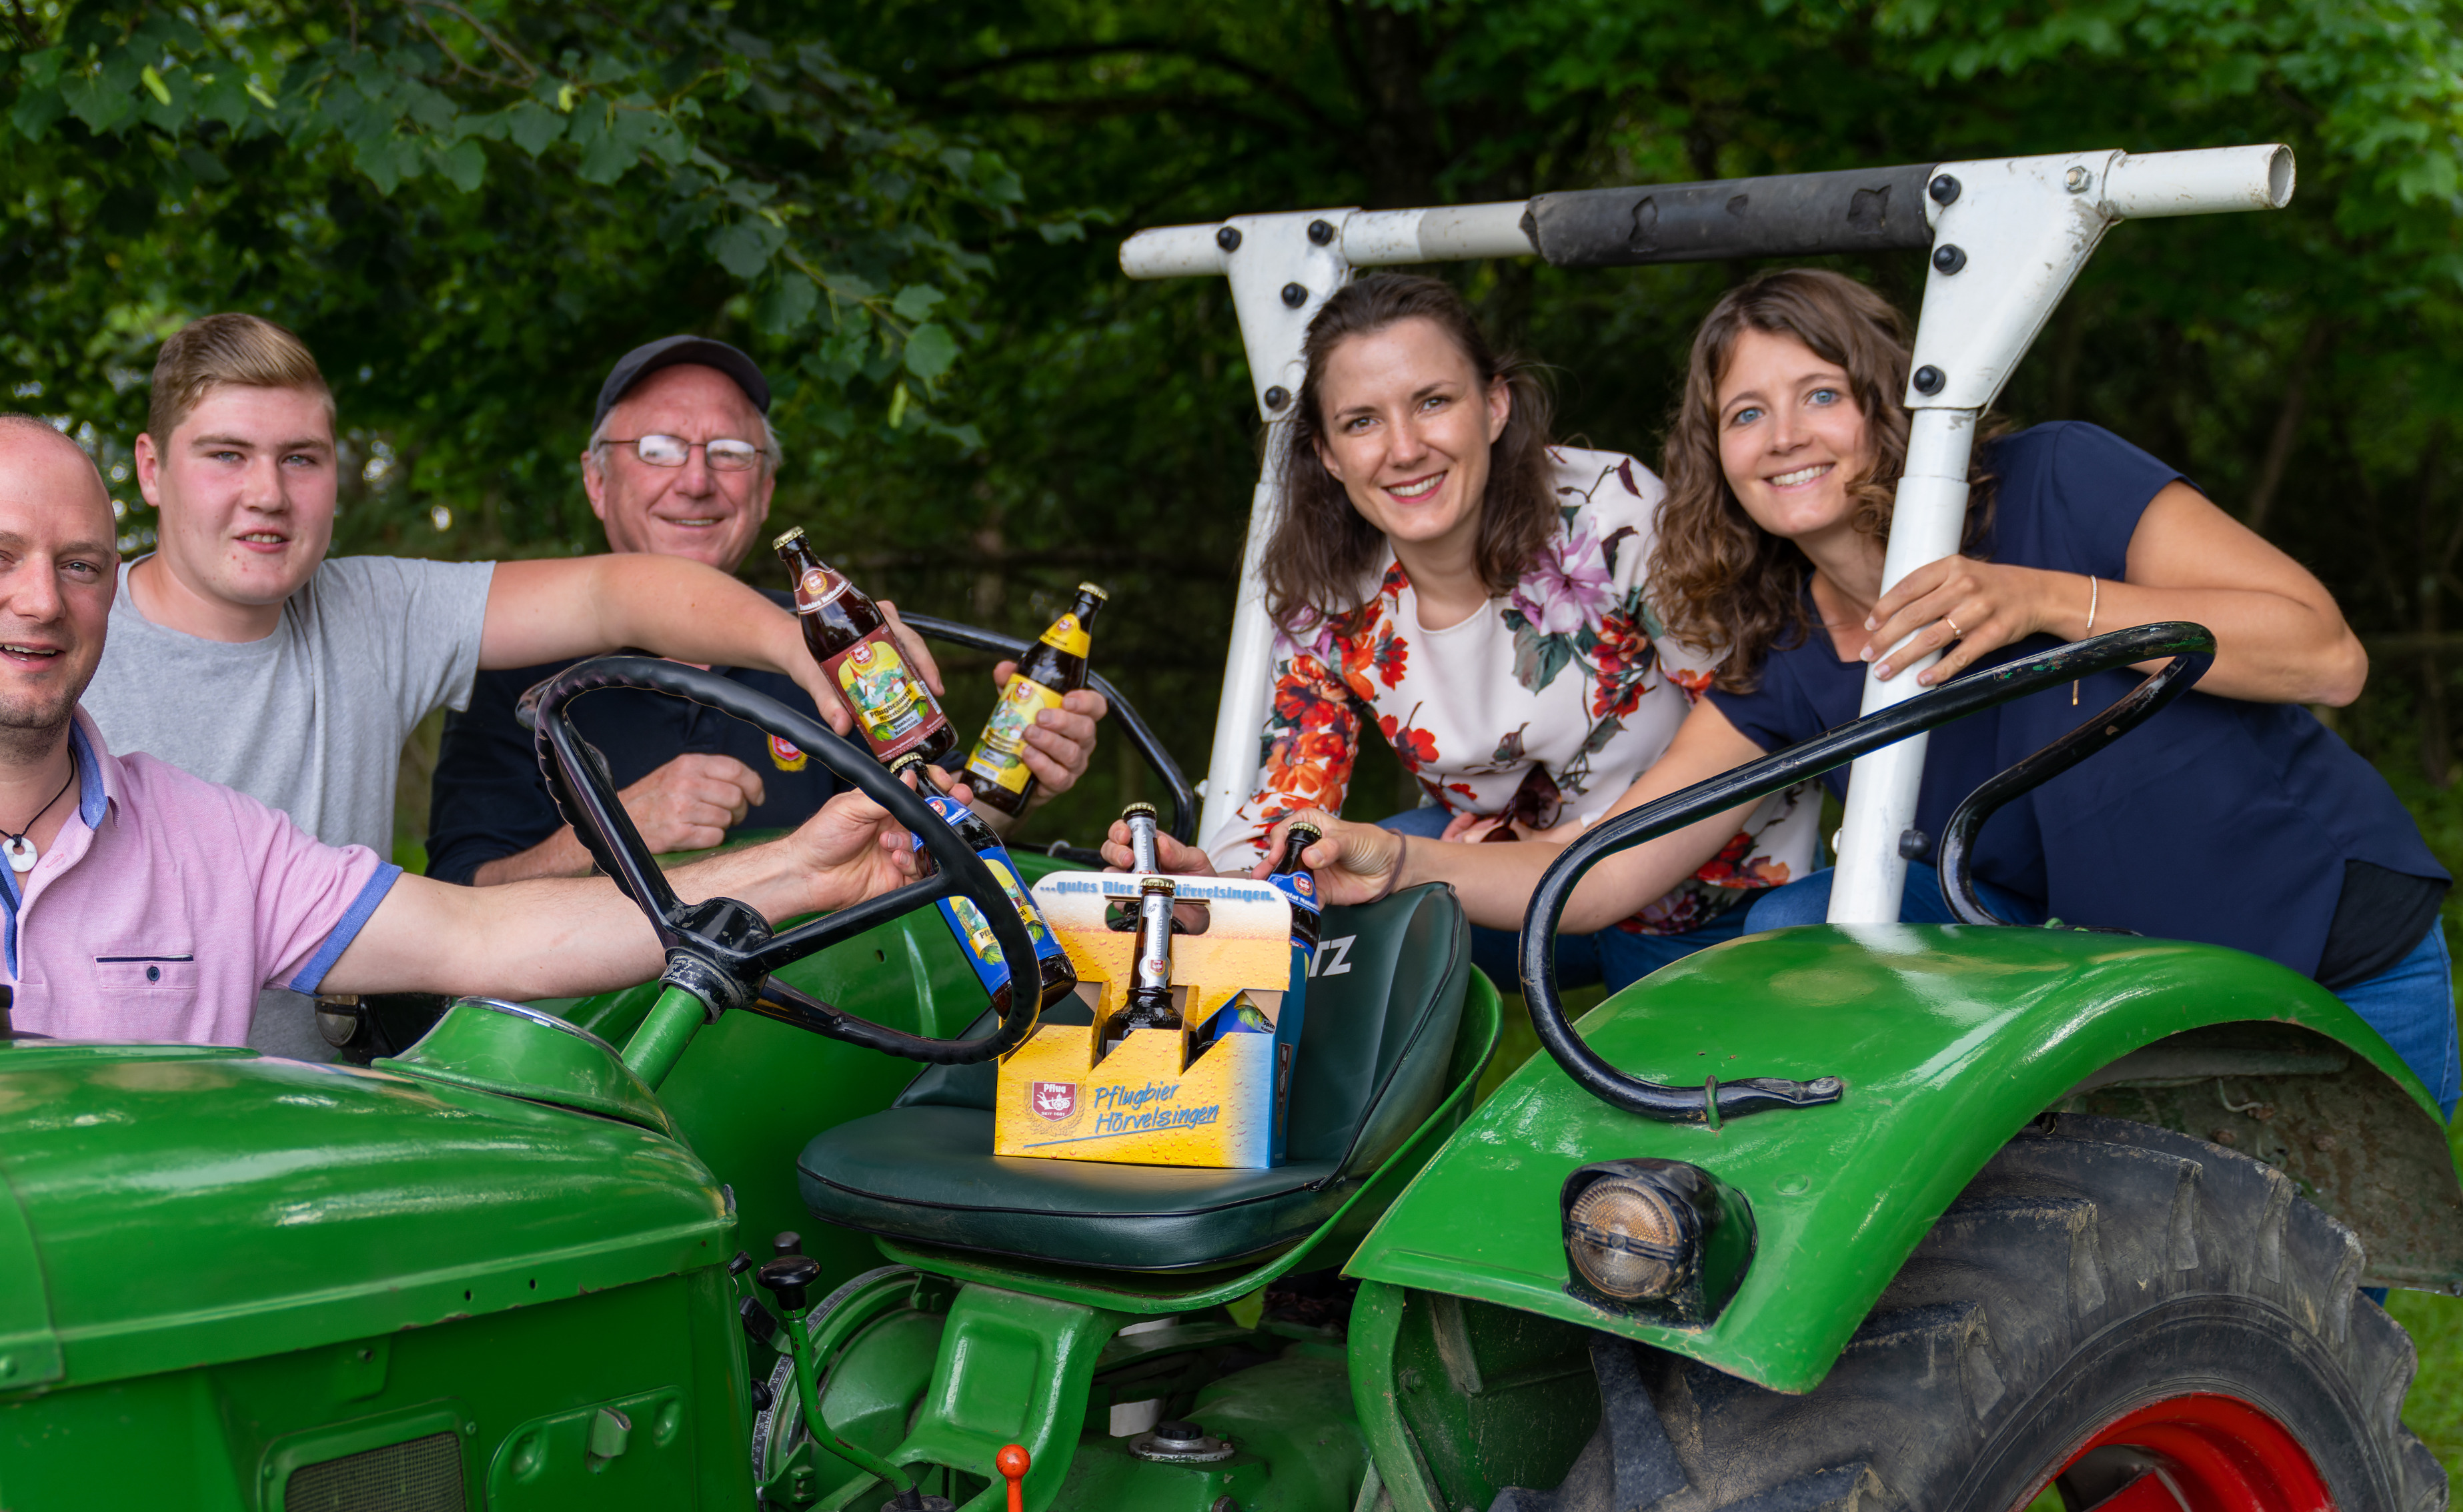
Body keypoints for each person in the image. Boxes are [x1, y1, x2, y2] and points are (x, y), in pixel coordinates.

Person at [1242, 269, 2460, 1116]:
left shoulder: (2057, 485)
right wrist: (1400, 863)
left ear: (1885, 403)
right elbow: (1606, 868)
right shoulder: (1788, 655)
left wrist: (2046, 604)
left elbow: (2324, 652)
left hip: (2324, 957)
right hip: (2141, 1012)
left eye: (1819, 394)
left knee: (2314, 1351)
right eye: (1746, 414)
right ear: (1715, 453)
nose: (1785, 436)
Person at [0, 418, 928, 1059]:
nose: (38, 601)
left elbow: (484, 938)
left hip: (160, 1404)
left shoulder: (199, 836)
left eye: (79, 564)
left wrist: (801, 870)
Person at [78, 314, 914, 1060]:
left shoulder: (374, 610)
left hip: (317, 1110)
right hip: (112, 1121)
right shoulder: (64, 635)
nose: (267, 493)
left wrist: (802, 645)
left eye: (300, 458)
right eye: (226, 455)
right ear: (151, 469)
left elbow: (615, 591)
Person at [1180, 273, 1815, 992]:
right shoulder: (1322, 587)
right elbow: (1293, 797)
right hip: (1499, 881)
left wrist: (1560, 847)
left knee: (1662, 1088)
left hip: (1695, 886)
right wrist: (1217, 892)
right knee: (1325, 923)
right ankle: (1400, 1104)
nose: (1404, 447)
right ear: (1326, 453)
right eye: (1361, 422)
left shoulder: (1609, 516)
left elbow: (1748, 717)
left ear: (1493, 405)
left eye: (1432, 402)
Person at [421, 333, 1105, 889]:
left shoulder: (835, 640)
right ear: (595, 481)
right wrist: (610, 829)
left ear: (767, 487)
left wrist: (1016, 780)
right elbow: (454, 895)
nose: (695, 481)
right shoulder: (512, 653)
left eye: (729, 453)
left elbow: (933, 839)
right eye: (658, 451)